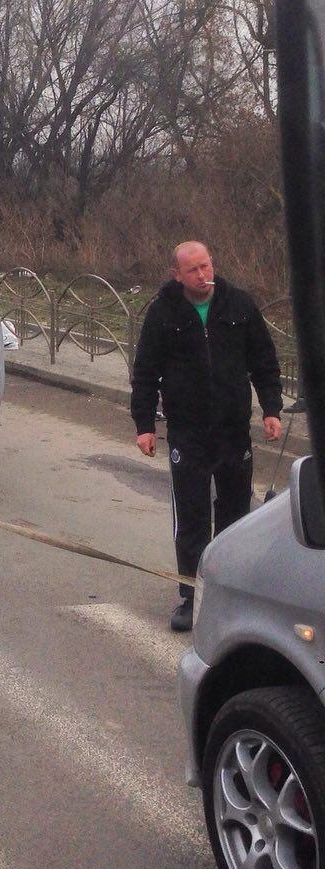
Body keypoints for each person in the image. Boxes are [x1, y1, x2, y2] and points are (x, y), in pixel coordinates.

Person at [130, 241, 284, 632]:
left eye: (206, 266)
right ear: (177, 274)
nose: (202, 275)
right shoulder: (163, 313)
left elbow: (264, 360)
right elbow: (145, 371)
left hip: (233, 432)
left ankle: (231, 594)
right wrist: (144, 425)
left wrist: (271, 409)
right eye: (193, 270)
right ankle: (191, 596)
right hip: (188, 433)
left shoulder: (239, 305)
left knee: (235, 516)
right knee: (192, 517)